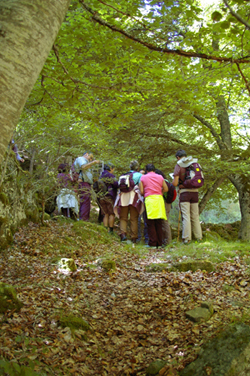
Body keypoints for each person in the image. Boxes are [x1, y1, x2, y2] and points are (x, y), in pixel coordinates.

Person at [172, 149, 202, 244]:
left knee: (186, 215)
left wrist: (174, 182)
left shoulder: (179, 165)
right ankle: (199, 237)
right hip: (195, 192)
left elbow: (175, 182)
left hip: (184, 192)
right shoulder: (195, 163)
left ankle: (186, 238)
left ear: (178, 157)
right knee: (195, 216)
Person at [114, 160, 144, 243]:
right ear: (138, 167)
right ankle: (133, 237)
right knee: (133, 218)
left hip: (123, 196)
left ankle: (123, 234)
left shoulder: (124, 175)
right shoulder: (139, 175)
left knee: (123, 217)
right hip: (134, 197)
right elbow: (141, 186)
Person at [139, 164, 168, 248]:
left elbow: (141, 191)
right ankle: (160, 242)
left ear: (146, 170)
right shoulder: (160, 177)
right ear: (154, 170)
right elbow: (166, 189)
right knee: (159, 222)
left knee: (150, 222)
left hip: (149, 200)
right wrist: (160, 192)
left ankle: (152, 243)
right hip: (159, 199)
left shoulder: (143, 177)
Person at [74, 152, 100, 221]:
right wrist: (94, 162)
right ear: (86, 154)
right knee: (85, 201)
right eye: (90, 157)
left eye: (92, 159)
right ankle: (83, 219)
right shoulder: (81, 159)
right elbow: (83, 167)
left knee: (86, 201)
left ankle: (84, 218)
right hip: (83, 183)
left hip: (86, 183)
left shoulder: (87, 162)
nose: (91, 159)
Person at [98, 163, 118, 233]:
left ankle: (105, 229)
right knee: (111, 213)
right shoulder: (110, 175)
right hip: (109, 196)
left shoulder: (101, 175)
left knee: (105, 214)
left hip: (101, 196)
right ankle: (111, 230)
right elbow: (116, 184)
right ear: (111, 168)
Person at [155, 169, 172, 245]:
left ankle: (167, 241)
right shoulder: (167, 181)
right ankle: (166, 240)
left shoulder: (162, 182)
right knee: (164, 221)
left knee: (164, 221)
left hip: (164, 202)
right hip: (168, 203)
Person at [137, 169, 149, 244]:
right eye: (141, 173)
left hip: (146, 201)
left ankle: (147, 238)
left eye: (144, 173)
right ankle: (138, 237)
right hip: (138, 202)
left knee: (146, 220)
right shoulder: (138, 181)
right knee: (138, 220)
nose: (142, 175)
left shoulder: (147, 181)